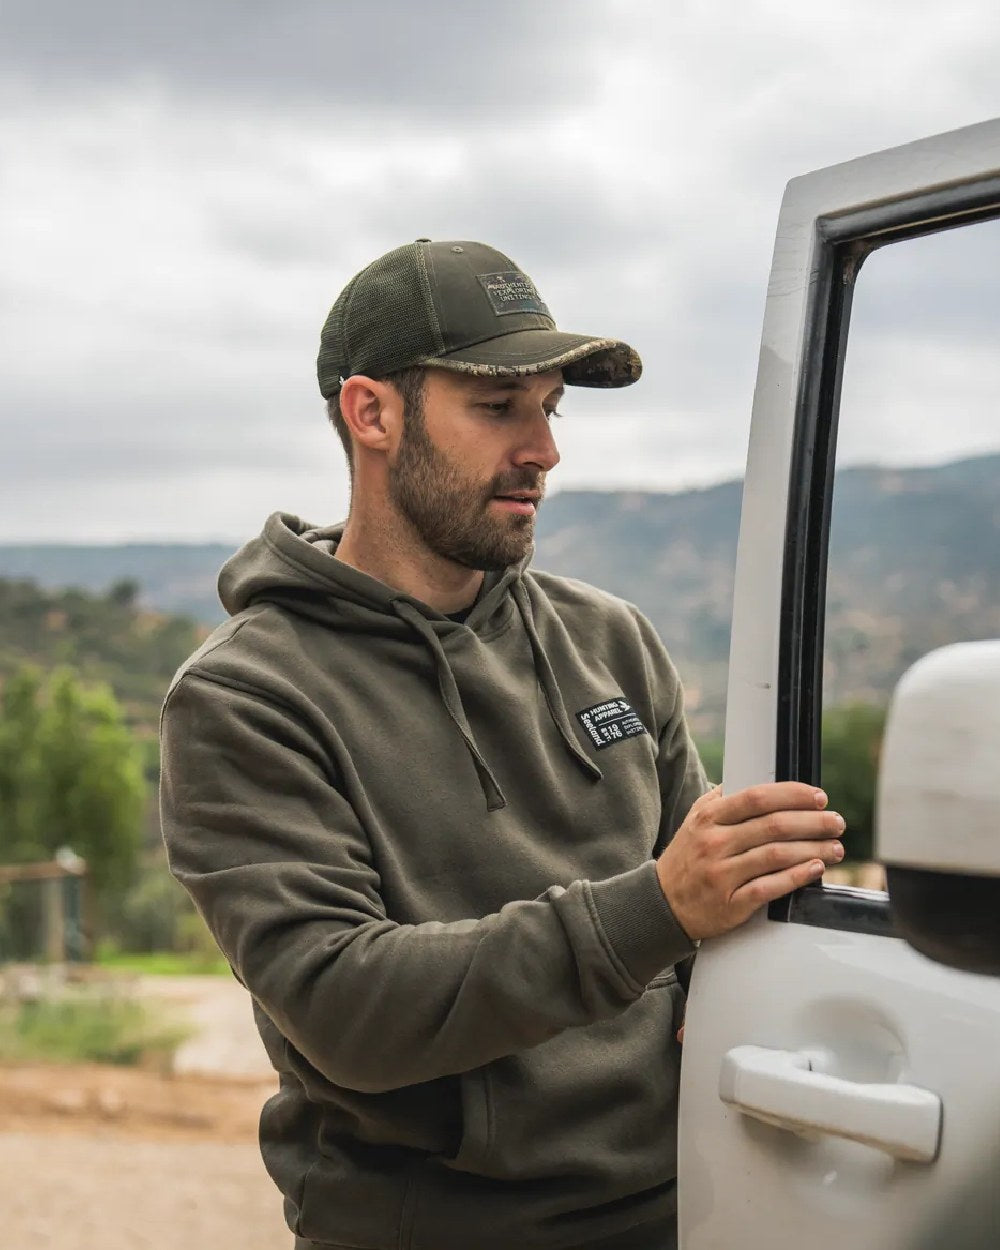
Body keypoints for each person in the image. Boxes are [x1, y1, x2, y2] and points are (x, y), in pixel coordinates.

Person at [159, 239, 846, 1250]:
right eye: (498, 407)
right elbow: (344, 1004)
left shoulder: (608, 637)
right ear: (371, 413)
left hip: (681, 1208)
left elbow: (708, 932)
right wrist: (653, 908)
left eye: (550, 408)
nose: (544, 449)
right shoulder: (244, 697)